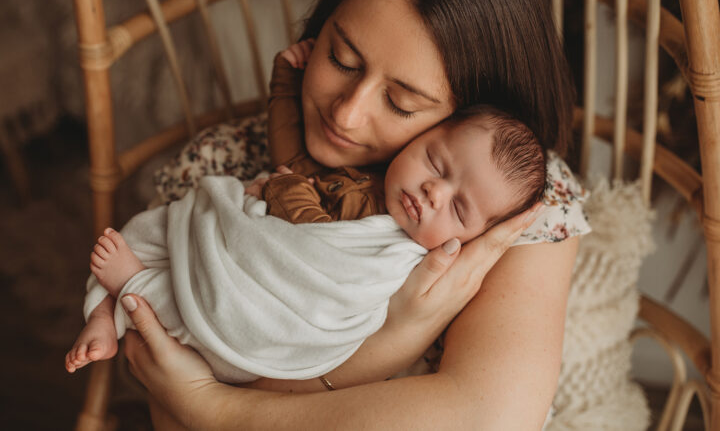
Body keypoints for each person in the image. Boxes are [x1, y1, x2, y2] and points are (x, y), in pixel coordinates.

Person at [119, 0, 589, 429]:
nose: (347, 112)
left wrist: (216, 408)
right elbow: (163, 374)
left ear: (475, 112)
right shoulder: (221, 166)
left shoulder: (507, 204)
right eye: (341, 59)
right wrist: (394, 338)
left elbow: (489, 417)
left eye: (402, 103)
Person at [66, 42, 547, 384]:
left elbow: (311, 236)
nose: (433, 192)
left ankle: (133, 288)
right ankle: (106, 312)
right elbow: (292, 154)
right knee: (163, 227)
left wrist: (284, 188)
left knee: (202, 314)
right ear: (426, 135)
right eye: (436, 162)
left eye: (459, 208)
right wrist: (285, 85)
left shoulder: (396, 255)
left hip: (265, 321)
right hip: (249, 251)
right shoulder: (368, 178)